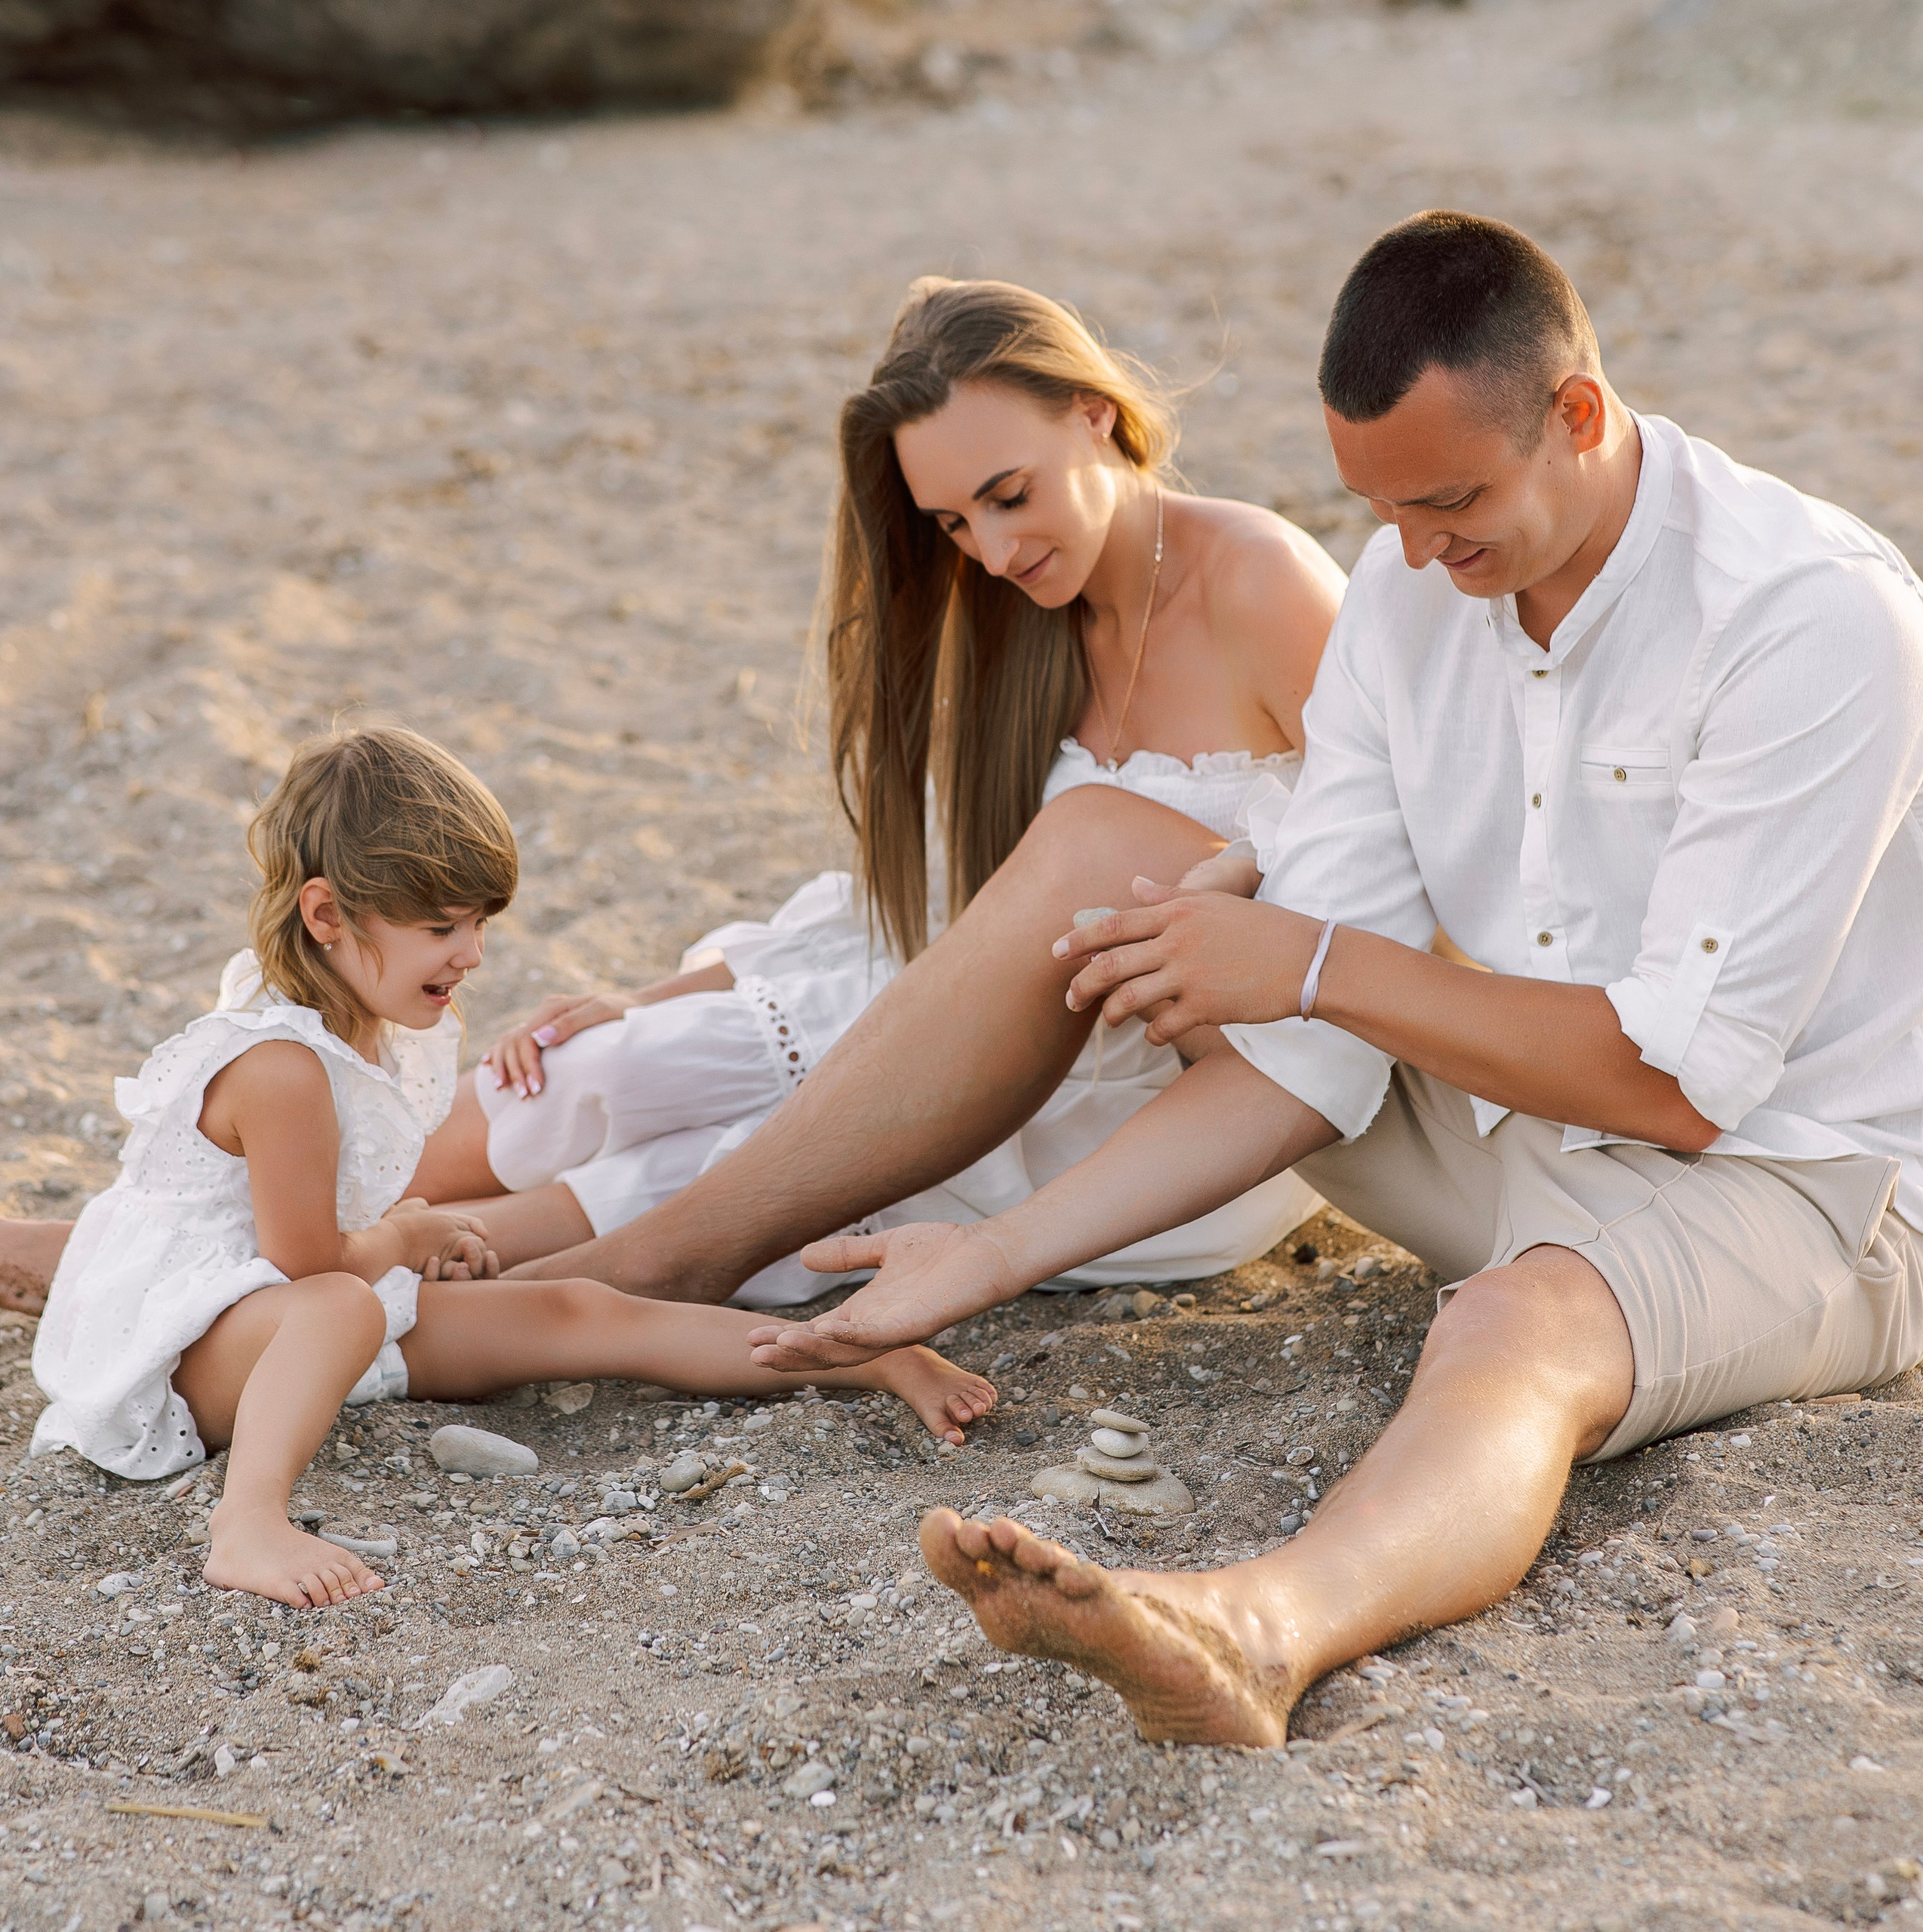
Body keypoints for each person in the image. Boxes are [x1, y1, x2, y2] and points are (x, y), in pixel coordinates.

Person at [743, 211, 1923, 1745]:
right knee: (1166, 957)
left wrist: (1309, 957)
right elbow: (1306, 1049)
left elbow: (1674, 1084)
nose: (1418, 556)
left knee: (1511, 1326)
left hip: (1807, 1173)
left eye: (1449, 502)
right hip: (1513, 1122)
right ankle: (708, 1231)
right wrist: (990, 1257)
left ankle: (1253, 1627)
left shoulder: (1807, 615)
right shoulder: (1399, 585)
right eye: (1382, 507)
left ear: (1575, 415)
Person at [0, 275, 1346, 1319]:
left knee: (686, 1161)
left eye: (1009, 496)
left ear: (1095, 415)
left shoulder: (1258, 584)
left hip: (1153, 1097)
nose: (990, 551)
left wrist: (1228, 889)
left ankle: (357, 1303)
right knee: (597, 1068)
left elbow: (1396, 869)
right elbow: (942, 906)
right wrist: (660, 995)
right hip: (994, 1008)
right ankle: (165, 1245)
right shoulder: (1027, 621)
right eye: (951, 525)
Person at [29, 727, 993, 1608]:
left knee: (577, 1308)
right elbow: (303, 1267)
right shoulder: (280, 1066)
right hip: (183, 1353)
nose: (473, 953)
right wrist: (407, 1230)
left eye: (481, 923)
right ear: (327, 913)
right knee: (344, 1305)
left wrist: (409, 1236)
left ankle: (864, 1354)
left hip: (276, 1324)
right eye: (443, 928)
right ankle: (247, 1524)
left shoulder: (357, 1011)